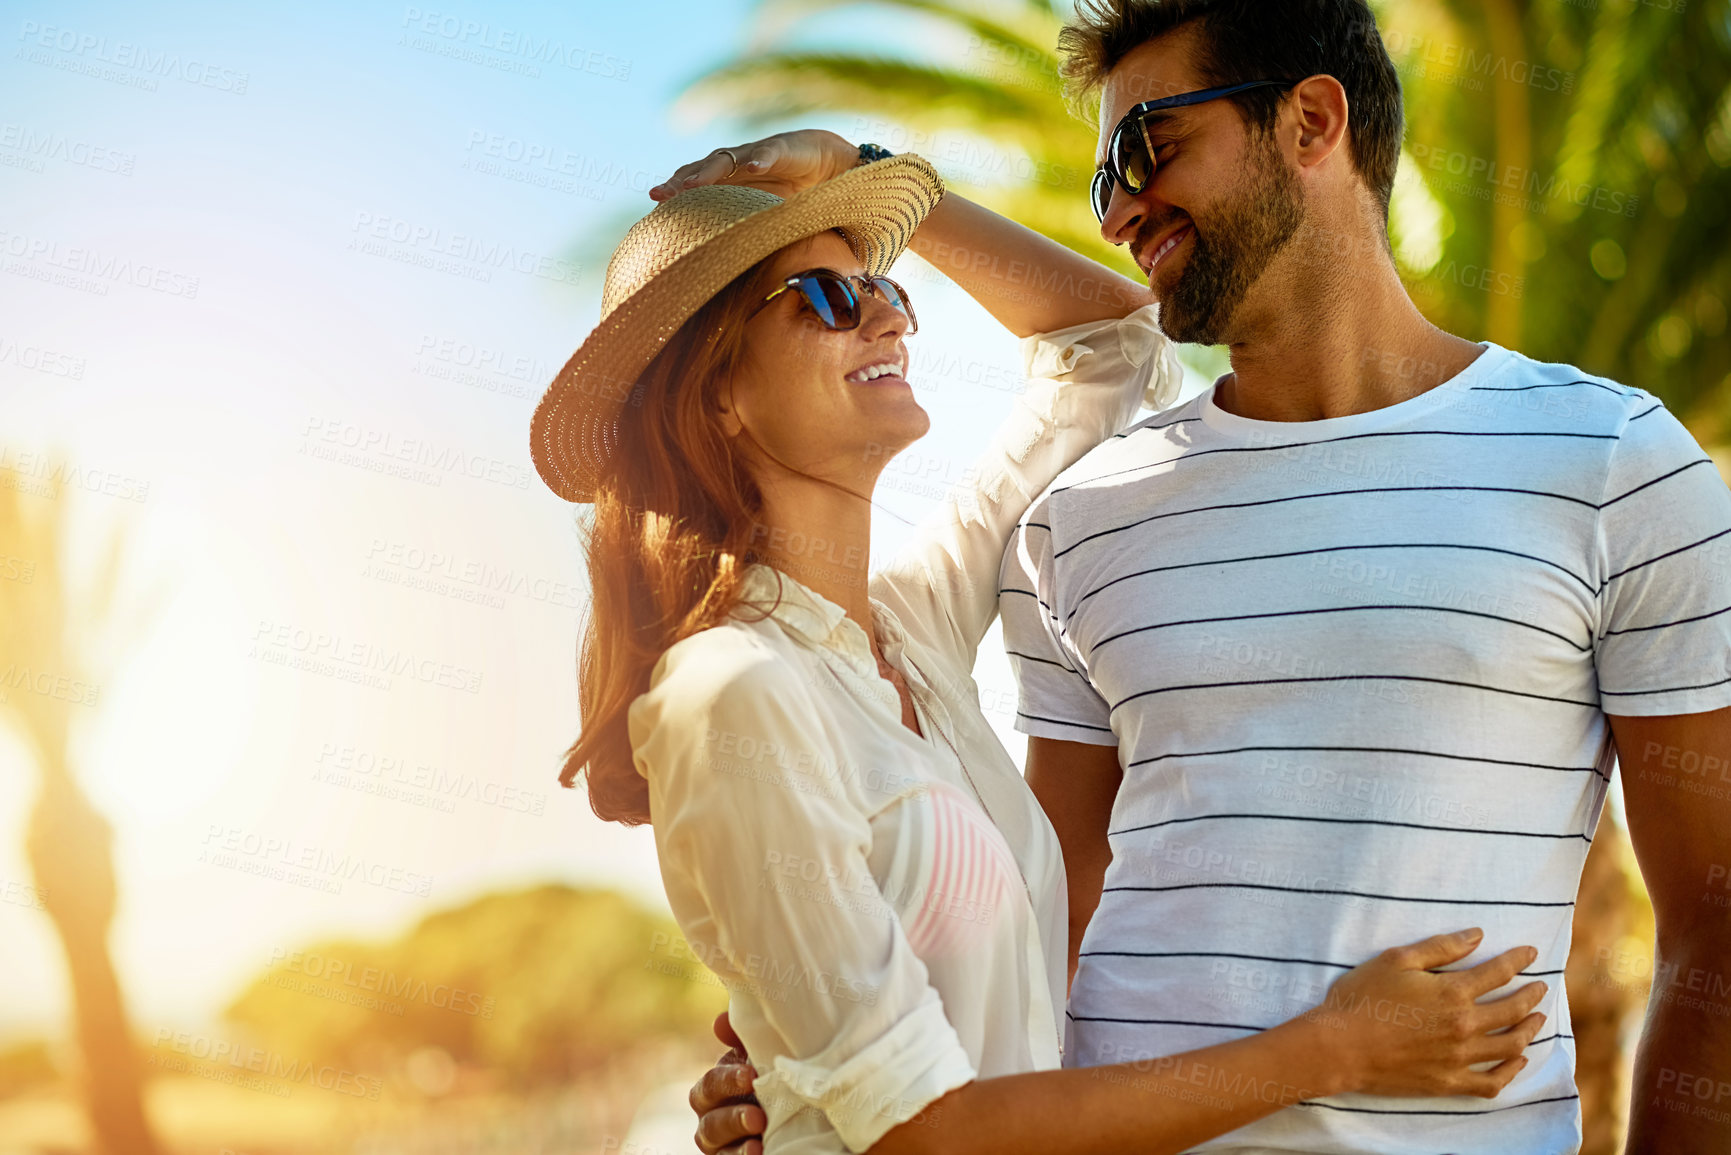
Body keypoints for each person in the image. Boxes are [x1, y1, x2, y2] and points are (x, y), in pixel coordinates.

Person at [686, 1, 1731, 1152]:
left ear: (1312, 121)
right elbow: (1042, 915)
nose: (1124, 211)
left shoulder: (1614, 467)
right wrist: (820, 1065)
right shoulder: (1079, 516)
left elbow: (1713, 935)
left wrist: (872, 178)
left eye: (1149, 150)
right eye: (1103, 187)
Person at [530, 151, 1546, 1155]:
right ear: (715, 394)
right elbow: (930, 1134)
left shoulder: (909, 631)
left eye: (884, 286)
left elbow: (1109, 344)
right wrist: (1335, 1051)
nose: (887, 316)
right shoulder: (732, 692)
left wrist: (875, 173)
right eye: (827, 298)